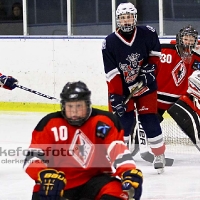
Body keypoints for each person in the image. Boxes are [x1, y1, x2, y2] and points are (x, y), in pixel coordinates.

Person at [23, 81, 143, 200]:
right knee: (44, 192)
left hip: (94, 180)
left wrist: (128, 171)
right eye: (70, 106)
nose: (74, 112)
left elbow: (118, 151)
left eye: (79, 106)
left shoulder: (104, 121)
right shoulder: (49, 123)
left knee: (120, 192)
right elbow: (31, 159)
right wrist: (43, 174)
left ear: (87, 104)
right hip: (59, 182)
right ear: (64, 106)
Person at [101, 2, 166, 173]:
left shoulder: (148, 33)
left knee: (149, 120)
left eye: (129, 17)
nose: (127, 21)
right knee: (124, 122)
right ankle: (121, 157)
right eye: (123, 18)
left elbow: (155, 57)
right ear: (118, 20)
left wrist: (150, 71)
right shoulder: (109, 42)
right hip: (122, 89)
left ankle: (159, 155)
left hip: (145, 86)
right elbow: (112, 73)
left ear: (135, 18)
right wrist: (116, 96)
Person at [155, 25, 200, 150]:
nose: (189, 42)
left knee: (194, 128)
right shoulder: (164, 50)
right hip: (156, 100)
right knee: (142, 129)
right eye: (186, 39)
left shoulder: (196, 58)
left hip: (180, 101)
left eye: (192, 39)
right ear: (180, 39)